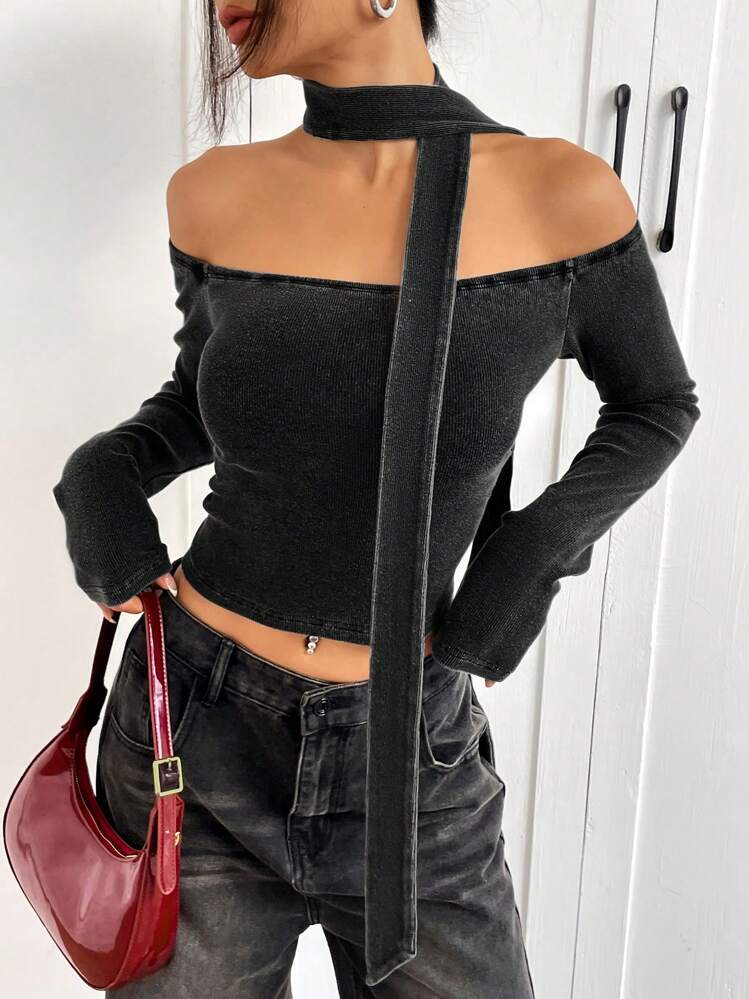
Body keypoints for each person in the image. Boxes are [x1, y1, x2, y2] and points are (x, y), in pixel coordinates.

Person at [51, 1, 701, 996]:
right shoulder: (212, 193)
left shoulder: (559, 192)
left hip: (410, 759)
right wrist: (104, 473)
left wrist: (519, 568)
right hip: (192, 732)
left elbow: (655, 403)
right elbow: (206, 402)